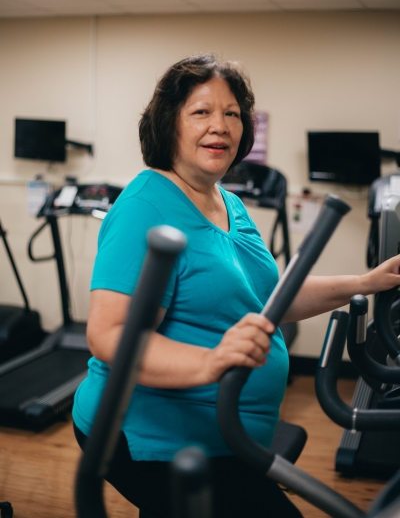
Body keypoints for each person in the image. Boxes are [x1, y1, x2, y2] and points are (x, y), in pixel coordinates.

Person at [72, 53, 400, 518]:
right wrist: (211, 361)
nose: (220, 126)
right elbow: (109, 335)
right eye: (201, 112)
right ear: (170, 124)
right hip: (153, 438)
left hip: (225, 435)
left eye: (231, 114)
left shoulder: (226, 201)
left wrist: (366, 282)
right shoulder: (145, 205)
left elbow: (268, 299)